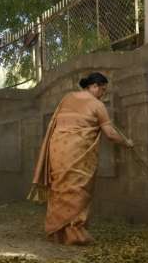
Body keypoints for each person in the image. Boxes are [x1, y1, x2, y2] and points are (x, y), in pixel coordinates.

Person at [29, 72, 132, 245]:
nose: (103, 94)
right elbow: (111, 134)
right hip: (77, 154)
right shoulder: (97, 105)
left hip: (58, 150)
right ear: (93, 86)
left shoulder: (67, 98)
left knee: (60, 189)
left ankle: (57, 233)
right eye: (102, 89)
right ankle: (74, 234)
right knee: (78, 190)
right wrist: (127, 142)